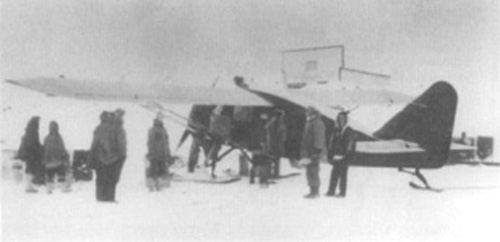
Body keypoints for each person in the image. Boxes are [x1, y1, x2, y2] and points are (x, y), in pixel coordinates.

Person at [89, 109, 127, 202]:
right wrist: (122, 155)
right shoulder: (118, 128)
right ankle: (110, 198)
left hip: (100, 157)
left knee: (100, 178)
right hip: (114, 158)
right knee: (111, 179)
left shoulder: (99, 128)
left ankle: (100, 197)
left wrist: (92, 156)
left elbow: (94, 144)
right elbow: (121, 143)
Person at [326, 112, 355, 197]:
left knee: (341, 174)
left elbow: (349, 144)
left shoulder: (349, 130)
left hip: (344, 156)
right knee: (336, 174)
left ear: (346, 119)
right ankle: (333, 191)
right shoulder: (337, 130)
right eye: (339, 118)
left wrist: (345, 154)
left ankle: (341, 192)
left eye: (342, 118)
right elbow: (333, 142)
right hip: (337, 156)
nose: (341, 120)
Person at [300, 107, 326, 199]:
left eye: (307, 111)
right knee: (309, 171)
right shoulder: (310, 122)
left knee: (313, 171)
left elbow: (319, 137)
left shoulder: (317, 123)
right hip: (308, 151)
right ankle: (312, 191)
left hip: (313, 151)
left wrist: (316, 150)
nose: (306, 113)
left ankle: (315, 192)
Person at [15, 116, 43, 193]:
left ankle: (28, 185)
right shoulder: (34, 131)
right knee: (31, 169)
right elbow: (34, 143)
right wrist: (38, 148)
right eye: (38, 122)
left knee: (29, 169)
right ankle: (28, 186)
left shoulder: (28, 130)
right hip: (32, 154)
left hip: (28, 154)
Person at [42, 121, 71, 194]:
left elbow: (44, 149)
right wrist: (65, 156)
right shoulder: (58, 137)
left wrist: (45, 160)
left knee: (49, 175)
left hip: (49, 161)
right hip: (58, 161)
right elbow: (62, 148)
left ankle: (49, 189)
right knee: (61, 173)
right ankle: (63, 188)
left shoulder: (47, 138)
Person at [186, 105, 214, 173]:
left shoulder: (197, 106)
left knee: (196, 148)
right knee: (203, 148)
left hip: (201, 129)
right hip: (202, 130)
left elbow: (191, 118)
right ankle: (207, 168)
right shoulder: (203, 106)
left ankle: (191, 168)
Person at [146, 118, 171, 191]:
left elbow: (150, 143)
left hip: (154, 154)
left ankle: (152, 185)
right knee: (160, 170)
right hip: (162, 155)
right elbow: (165, 144)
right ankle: (158, 186)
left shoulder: (151, 131)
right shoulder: (163, 131)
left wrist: (150, 153)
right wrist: (167, 154)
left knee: (153, 170)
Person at [249, 113, 271, 188]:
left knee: (255, 164)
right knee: (263, 164)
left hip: (255, 148)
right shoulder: (263, 129)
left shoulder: (256, 127)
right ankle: (263, 181)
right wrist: (265, 147)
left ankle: (252, 179)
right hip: (261, 149)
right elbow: (263, 139)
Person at [265, 110, 287, 178]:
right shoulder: (280, 123)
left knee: (270, 157)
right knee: (276, 158)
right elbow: (282, 134)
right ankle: (275, 173)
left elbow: (266, 128)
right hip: (276, 142)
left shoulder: (271, 122)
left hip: (271, 142)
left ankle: (269, 172)